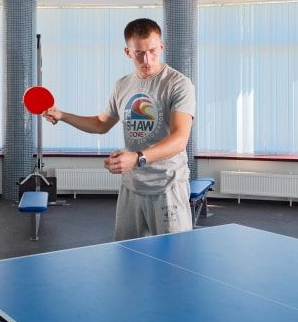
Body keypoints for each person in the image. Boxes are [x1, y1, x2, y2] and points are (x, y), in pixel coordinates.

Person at [44, 18, 195, 240]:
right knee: (126, 253)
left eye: (153, 51)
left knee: (174, 256)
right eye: (139, 53)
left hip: (167, 186)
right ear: (128, 52)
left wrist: (138, 157)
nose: (147, 59)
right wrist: (62, 115)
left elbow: (180, 138)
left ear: (161, 47)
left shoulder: (178, 84)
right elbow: (101, 123)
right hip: (131, 185)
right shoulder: (122, 85)